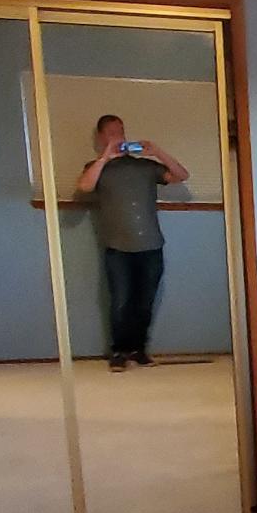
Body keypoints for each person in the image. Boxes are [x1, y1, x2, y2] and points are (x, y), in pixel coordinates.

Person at [74, 115, 189, 370]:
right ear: (102, 137)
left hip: (151, 245)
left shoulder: (146, 167)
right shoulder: (96, 166)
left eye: (122, 131)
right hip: (117, 247)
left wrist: (157, 151)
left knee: (145, 301)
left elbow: (182, 175)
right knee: (121, 301)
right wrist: (105, 157)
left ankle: (139, 350)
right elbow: (84, 186)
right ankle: (119, 352)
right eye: (113, 133)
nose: (119, 137)